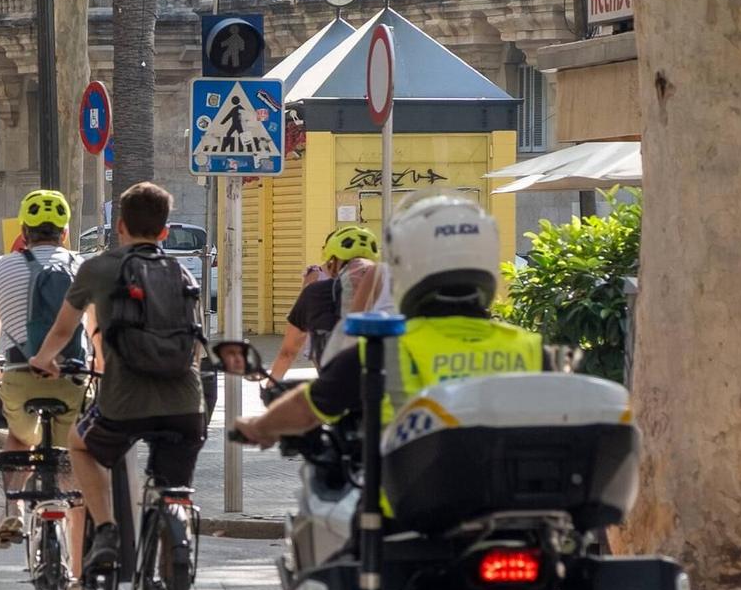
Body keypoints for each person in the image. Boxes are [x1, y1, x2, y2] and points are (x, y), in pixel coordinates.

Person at [233, 194, 550, 452]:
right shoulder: (534, 350)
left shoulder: (382, 352)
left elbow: (308, 406)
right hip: (520, 518)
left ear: (405, 270)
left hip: (411, 519)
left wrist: (259, 427)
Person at [28, 181, 207, 576]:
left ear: (120, 226)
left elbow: (62, 330)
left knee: (80, 445)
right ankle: (169, 573)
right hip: (186, 407)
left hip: (122, 404)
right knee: (171, 491)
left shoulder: (98, 268)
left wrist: (42, 360)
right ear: (164, 232)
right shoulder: (181, 273)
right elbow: (195, 345)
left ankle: (106, 530)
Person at [0, 188, 94, 552]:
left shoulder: (0, 266)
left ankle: (13, 509)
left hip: (21, 376)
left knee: (21, 437)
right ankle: (72, 517)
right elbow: (96, 332)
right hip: (72, 378)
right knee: (72, 446)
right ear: (66, 233)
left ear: (23, 232)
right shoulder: (82, 267)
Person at [268, 225, 385, 379]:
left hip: (337, 390)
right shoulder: (393, 289)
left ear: (334, 259)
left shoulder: (315, 293)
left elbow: (287, 353)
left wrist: (270, 388)